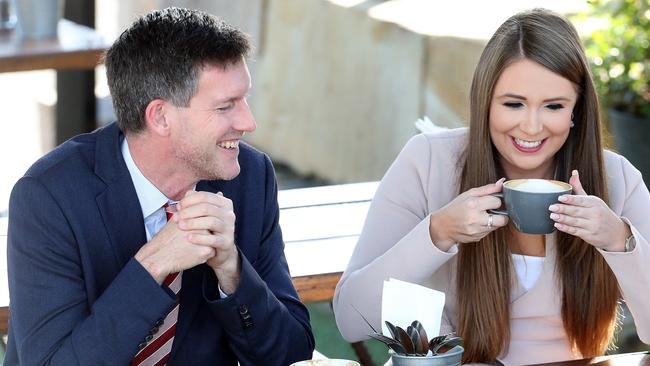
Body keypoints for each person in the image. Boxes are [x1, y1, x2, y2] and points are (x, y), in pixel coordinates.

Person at [333, 8, 650, 366]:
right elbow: (349, 318)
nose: (531, 127)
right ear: (485, 102)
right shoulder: (428, 162)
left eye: (554, 106)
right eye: (513, 104)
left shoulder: (615, 177)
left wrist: (619, 240)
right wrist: (437, 233)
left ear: (576, 110)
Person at [5, 7, 314, 366]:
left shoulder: (251, 177)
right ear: (160, 117)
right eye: (226, 106)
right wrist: (154, 263)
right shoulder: (49, 197)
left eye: (244, 99)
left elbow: (292, 354)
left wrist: (232, 270)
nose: (248, 122)